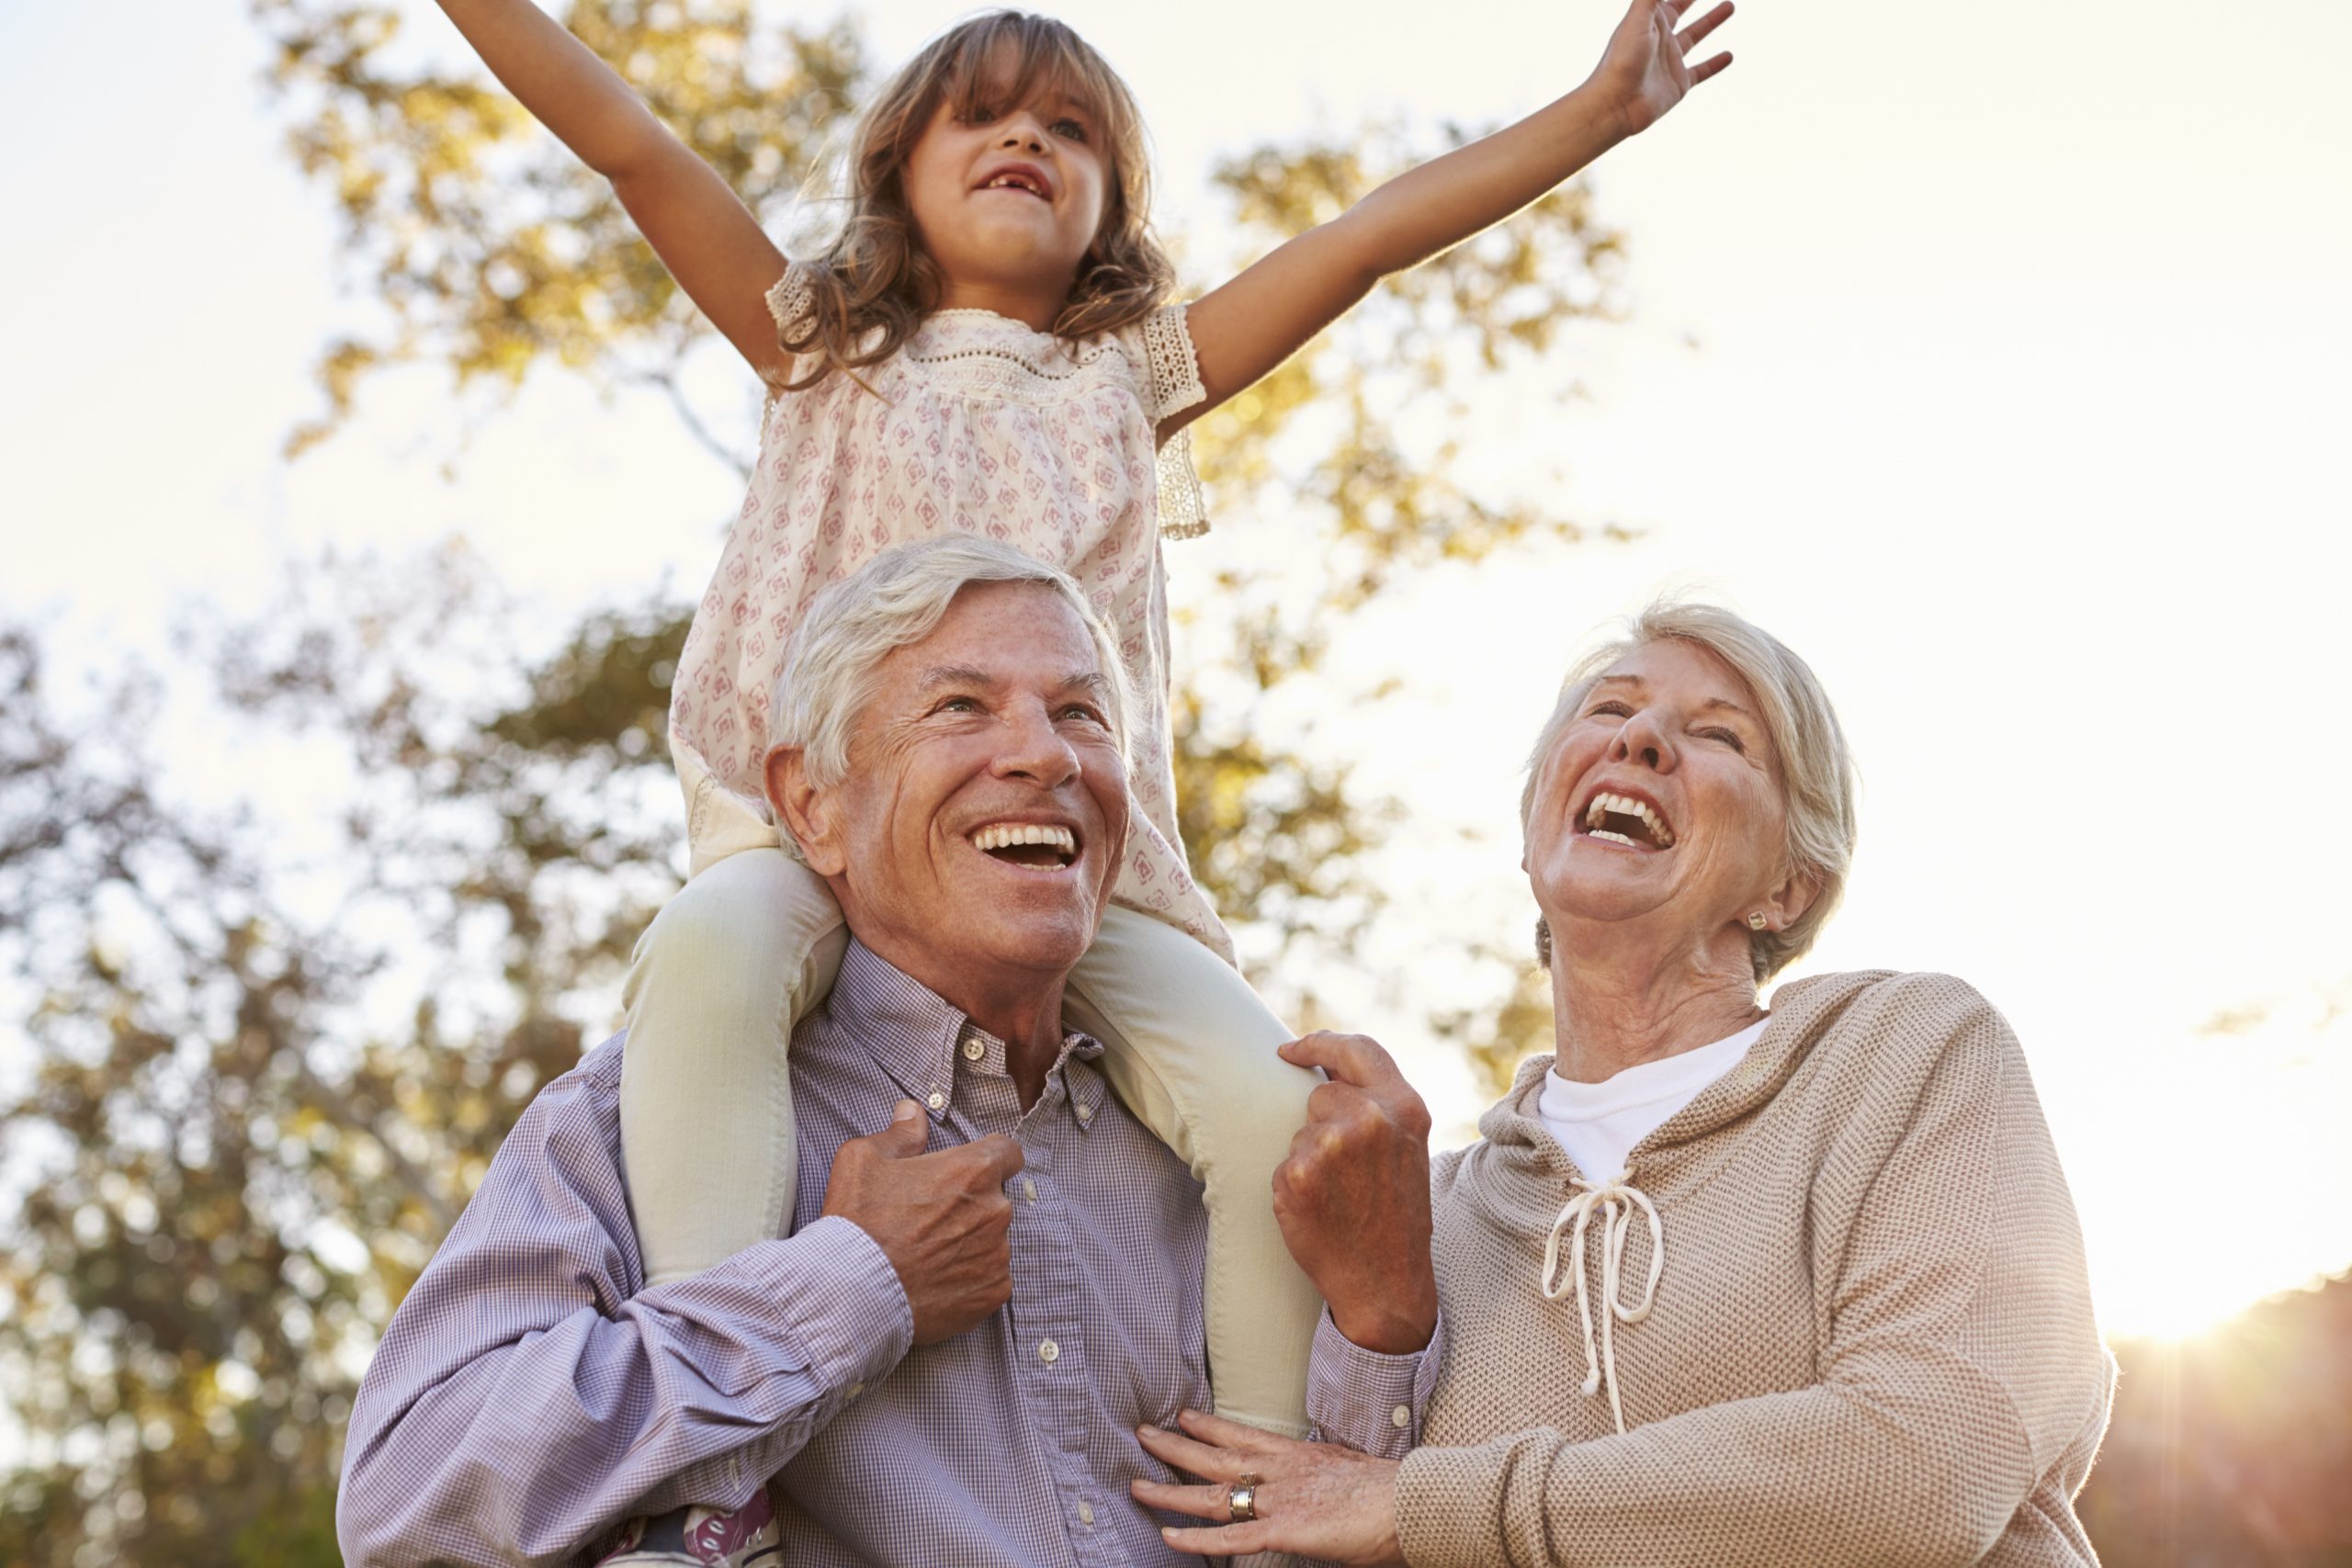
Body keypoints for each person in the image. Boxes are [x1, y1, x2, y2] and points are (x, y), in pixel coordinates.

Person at [423, 0, 1737, 1447]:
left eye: (1069, 131)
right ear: (899, 174)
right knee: (712, 964)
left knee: (1262, 1110)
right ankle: (721, 1463)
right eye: (981, 116)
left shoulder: (1127, 381)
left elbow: (1364, 239)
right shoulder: (823, 347)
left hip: (1066, 867)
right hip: (820, 840)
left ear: (1110, 202)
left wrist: (1594, 114)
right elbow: (631, 146)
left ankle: (1264, 1492)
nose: (1026, 141)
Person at [334, 538, 1442, 1568]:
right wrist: (851, 1285)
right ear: (811, 809)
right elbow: (407, 1505)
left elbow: (1344, 1524)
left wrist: (1383, 1322)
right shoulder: (643, 1114)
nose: (1041, 754)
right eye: (959, 706)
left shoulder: (1251, 1165)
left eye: (1081, 715)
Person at [1125, 602, 2117, 1567]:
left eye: (1719, 734)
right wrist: (1377, 1342)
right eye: (1608, 711)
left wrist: (1427, 1508)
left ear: (1788, 887)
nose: (1639, 739)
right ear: (1531, 835)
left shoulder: (1903, 1057)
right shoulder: (1425, 1213)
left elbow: (1930, 1460)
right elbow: (1323, 1515)